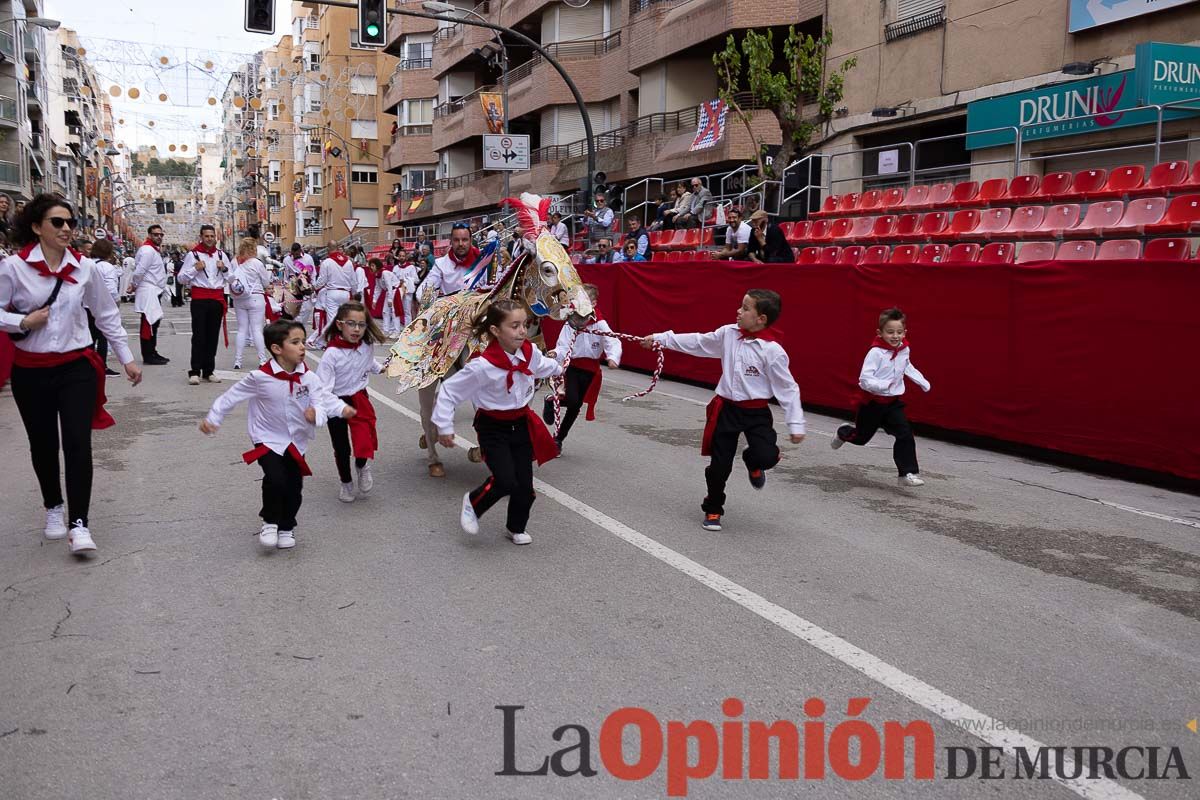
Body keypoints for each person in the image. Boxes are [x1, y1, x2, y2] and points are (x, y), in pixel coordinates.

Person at [0, 194, 142, 554]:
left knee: (78, 443)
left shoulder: (85, 268)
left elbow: (106, 313)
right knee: (43, 443)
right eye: (57, 222)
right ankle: (53, 506)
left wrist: (126, 357)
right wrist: (22, 321)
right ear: (36, 227)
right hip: (31, 369)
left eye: (71, 223)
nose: (67, 229)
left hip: (77, 365)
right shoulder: (13, 268)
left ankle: (80, 523)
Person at [640, 289, 805, 532]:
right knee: (719, 466)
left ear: (761, 319)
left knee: (766, 456)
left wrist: (796, 423)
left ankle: (753, 462)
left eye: (746, 308)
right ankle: (713, 507)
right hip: (726, 409)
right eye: (741, 306)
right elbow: (697, 341)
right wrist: (660, 338)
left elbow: (788, 388)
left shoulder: (772, 351)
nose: (739, 311)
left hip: (756, 413)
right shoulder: (727, 334)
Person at [200, 320, 354, 550]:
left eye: (303, 341)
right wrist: (214, 418)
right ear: (276, 349)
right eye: (295, 342)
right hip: (268, 439)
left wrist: (332, 411)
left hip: (296, 442)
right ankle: (270, 522)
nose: (303, 347)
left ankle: (287, 526)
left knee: (294, 487)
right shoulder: (259, 378)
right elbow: (231, 397)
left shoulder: (308, 378)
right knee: (275, 478)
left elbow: (322, 400)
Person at [433, 299, 563, 545]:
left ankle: (515, 527)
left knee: (524, 485)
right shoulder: (482, 366)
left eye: (525, 324)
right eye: (514, 326)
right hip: (493, 426)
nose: (523, 331)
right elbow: (449, 392)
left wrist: (558, 367)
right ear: (495, 330)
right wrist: (445, 426)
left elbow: (542, 365)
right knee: (504, 480)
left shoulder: (529, 352)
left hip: (521, 422)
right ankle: (473, 502)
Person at [832, 307, 931, 487]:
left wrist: (921, 381)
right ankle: (844, 432)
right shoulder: (875, 353)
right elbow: (864, 380)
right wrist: (883, 385)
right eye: (890, 332)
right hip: (872, 404)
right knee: (861, 438)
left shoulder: (904, 349)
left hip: (892, 403)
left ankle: (906, 473)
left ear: (905, 332)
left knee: (905, 434)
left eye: (899, 332)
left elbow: (907, 366)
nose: (895, 336)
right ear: (880, 332)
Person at [412, 223, 481, 476]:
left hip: (472, 332)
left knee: (485, 383)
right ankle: (432, 456)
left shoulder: (484, 262)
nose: (461, 244)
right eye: (456, 240)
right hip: (444, 331)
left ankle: (487, 442)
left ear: (470, 240)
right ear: (451, 242)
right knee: (427, 395)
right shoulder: (441, 265)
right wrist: (435, 301)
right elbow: (424, 291)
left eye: (465, 239)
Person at [316, 302, 385, 503]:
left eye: (361, 325)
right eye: (351, 324)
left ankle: (362, 466)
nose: (356, 329)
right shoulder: (331, 354)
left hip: (359, 398)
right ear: (339, 325)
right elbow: (322, 390)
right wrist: (339, 407)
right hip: (335, 402)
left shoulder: (367, 345)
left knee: (364, 440)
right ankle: (346, 482)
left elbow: (369, 362)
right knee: (342, 447)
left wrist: (381, 368)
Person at [542, 284, 621, 453]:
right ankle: (551, 402)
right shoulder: (572, 323)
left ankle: (558, 439)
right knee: (573, 400)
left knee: (575, 406)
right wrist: (555, 353)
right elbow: (563, 346)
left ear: (593, 303)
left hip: (591, 371)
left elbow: (612, 340)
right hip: (573, 367)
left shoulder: (599, 324)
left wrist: (613, 357)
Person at [178, 225, 232, 385]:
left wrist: (224, 269)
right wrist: (195, 269)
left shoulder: (221, 255)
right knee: (199, 336)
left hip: (217, 298)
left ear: (216, 237)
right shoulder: (193, 255)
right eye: (206, 236)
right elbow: (181, 279)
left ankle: (209, 370)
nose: (209, 239)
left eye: (212, 236)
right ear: (201, 237)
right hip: (200, 298)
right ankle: (195, 371)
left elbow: (231, 278)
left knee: (212, 336)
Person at [228, 237, 273, 369]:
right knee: (256, 330)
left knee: (242, 329)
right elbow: (265, 282)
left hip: (239, 298)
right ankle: (262, 360)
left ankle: (238, 360)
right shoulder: (256, 263)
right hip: (256, 297)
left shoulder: (235, 262)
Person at [130, 224, 169, 365]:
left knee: (154, 322)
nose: (158, 237)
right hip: (149, 290)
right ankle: (148, 354)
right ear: (149, 235)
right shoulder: (147, 250)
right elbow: (140, 271)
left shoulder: (152, 250)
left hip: (153, 290)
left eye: (160, 234)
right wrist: (134, 285)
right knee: (149, 323)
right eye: (155, 234)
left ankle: (152, 351)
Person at [307, 242, 358, 349]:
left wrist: (314, 287)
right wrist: (354, 293)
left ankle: (317, 340)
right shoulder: (348, 262)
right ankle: (338, 340)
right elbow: (353, 281)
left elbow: (322, 280)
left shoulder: (327, 262)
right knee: (344, 319)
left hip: (332, 292)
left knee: (332, 320)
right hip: (345, 293)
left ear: (328, 249)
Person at [87, 239, 123, 376]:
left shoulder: (86, 264)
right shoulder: (107, 267)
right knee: (103, 337)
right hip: (101, 307)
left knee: (89, 338)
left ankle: (88, 366)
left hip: (86, 307)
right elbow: (111, 290)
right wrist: (116, 303)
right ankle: (101, 366)